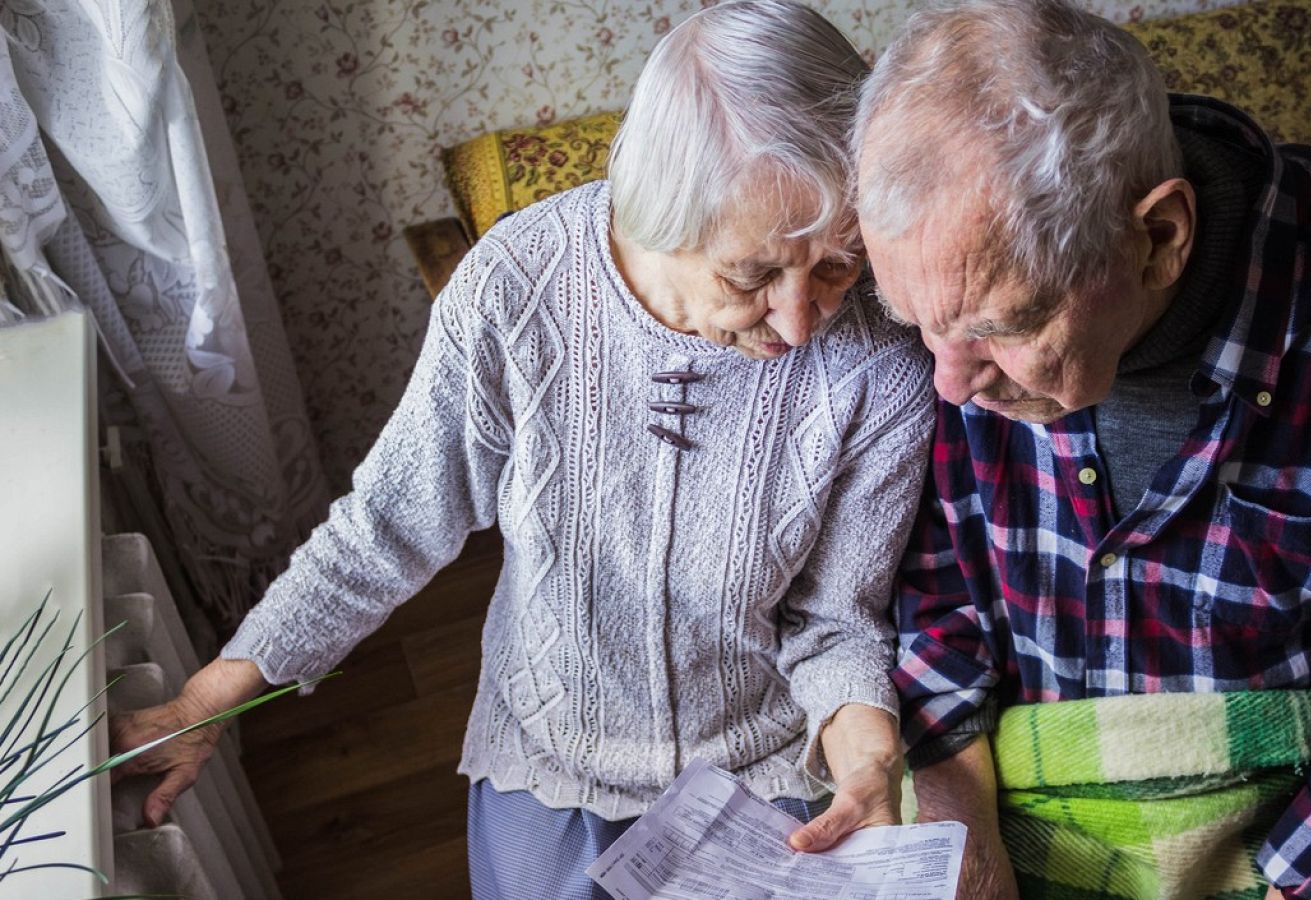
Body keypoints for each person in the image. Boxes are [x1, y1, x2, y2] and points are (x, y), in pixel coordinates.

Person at [111, 3, 933, 897]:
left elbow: (835, 618)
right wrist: (203, 704)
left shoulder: (881, 357)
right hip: (551, 755)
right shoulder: (516, 291)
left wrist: (867, 758)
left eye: (837, 265)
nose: (801, 317)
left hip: (763, 767)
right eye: (751, 276)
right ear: (660, 214)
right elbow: (388, 524)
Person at [854, 2, 1311, 898]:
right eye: (918, 329)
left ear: (1159, 238)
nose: (948, 384)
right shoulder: (950, 292)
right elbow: (936, 593)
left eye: (1000, 330)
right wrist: (966, 841)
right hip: (1020, 802)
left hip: (1285, 831)